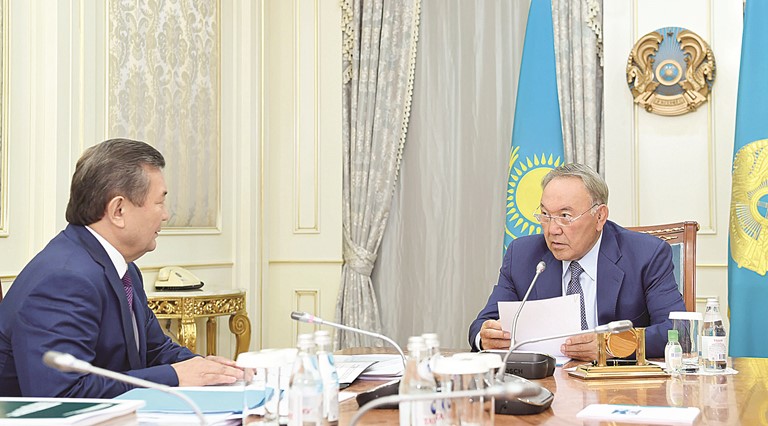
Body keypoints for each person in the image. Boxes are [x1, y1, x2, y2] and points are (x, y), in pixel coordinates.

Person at [0, 139, 244, 397]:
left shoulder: (123, 269)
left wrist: (206, 369)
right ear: (118, 210)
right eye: (159, 202)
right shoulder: (65, 278)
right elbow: (62, 395)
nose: (165, 215)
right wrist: (174, 377)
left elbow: (154, 349)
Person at [468, 163, 686, 360]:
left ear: (599, 216)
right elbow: (481, 325)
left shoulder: (646, 255)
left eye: (565, 216)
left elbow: (678, 331)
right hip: (547, 382)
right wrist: (485, 338)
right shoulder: (523, 256)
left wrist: (609, 345)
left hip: (617, 385)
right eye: (545, 215)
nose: (552, 229)